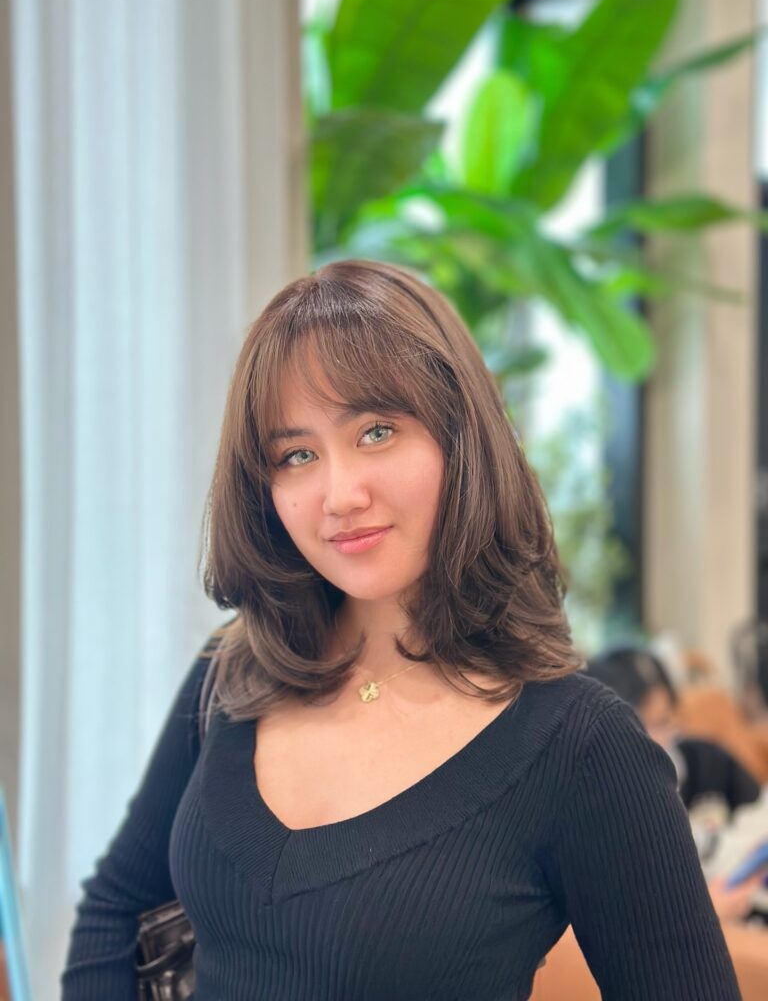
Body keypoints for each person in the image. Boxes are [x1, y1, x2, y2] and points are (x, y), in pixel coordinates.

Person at [62, 259, 742, 999]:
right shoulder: (234, 672)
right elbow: (116, 911)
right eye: (297, 455)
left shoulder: (580, 747)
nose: (340, 494)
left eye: (377, 431)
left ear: (461, 440)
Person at [587, 645, 764, 924]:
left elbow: (759, 805)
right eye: (640, 729)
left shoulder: (705, 758)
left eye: (665, 720)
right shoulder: (604, 813)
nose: (658, 740)